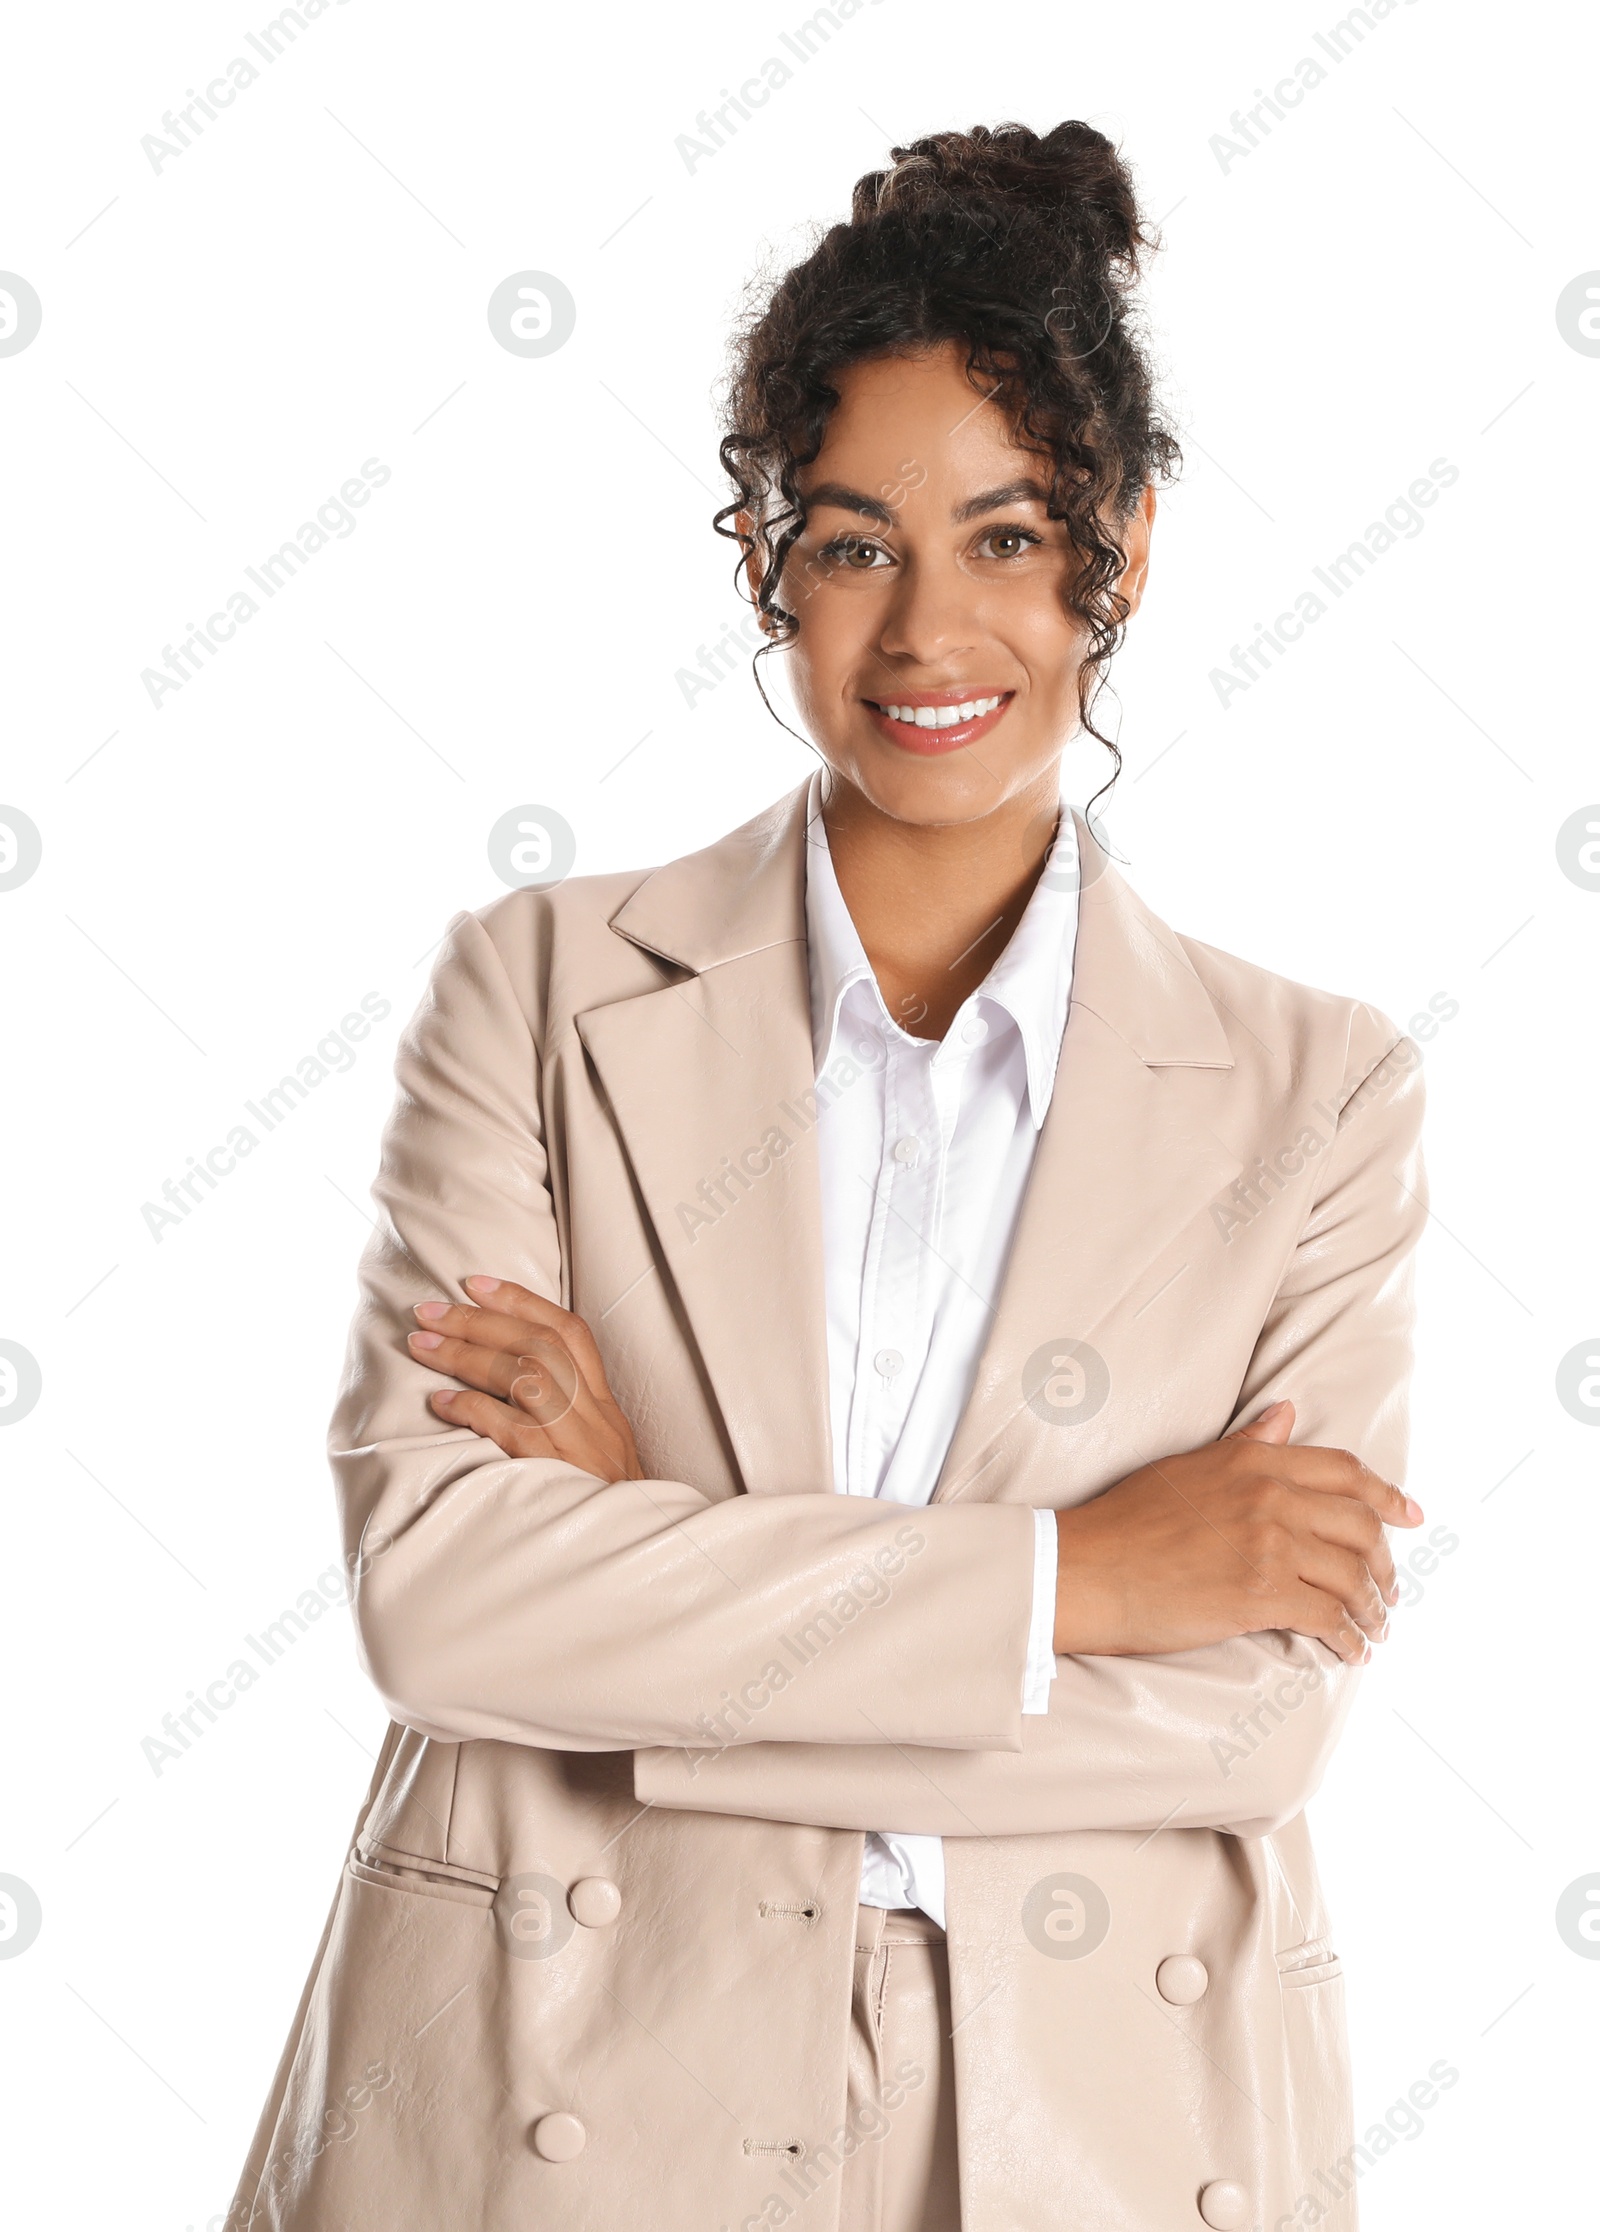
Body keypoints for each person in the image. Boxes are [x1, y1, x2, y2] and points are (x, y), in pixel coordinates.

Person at [228, 121, 1426, 2232]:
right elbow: (440, 1597)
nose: (923, 634)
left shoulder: (1314, 1093)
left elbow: (1240, 1733)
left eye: (1004, 537)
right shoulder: (535, 986)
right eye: (853, 541)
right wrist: (1084, 1586)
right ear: (767, 561)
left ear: (1120, 551)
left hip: (1091, 2117)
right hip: (560, 2056)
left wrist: (641, 1586)